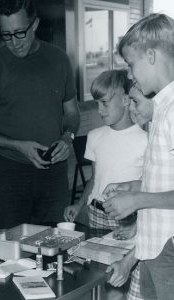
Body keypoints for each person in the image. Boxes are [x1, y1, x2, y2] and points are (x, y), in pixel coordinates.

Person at [0, 0, 80, 229]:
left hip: (53, 171)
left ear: (35, 24)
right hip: (8, 172)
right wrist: (18, 145)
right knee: (10, 247)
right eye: (6, 35)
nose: (14, 42)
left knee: (54, 242)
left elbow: (71, 112)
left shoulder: (58, 60)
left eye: (20, 33)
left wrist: (67, 137)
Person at [103, 13, 174, 300]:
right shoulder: (161, 107)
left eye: (131, 65)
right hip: (154, 247)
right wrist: (134, 187)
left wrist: (138, 200)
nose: (130, 75)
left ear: (152, 56)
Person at [64, 69, 148, 300]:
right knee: (98, 271)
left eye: (104, 103)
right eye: (96, 104)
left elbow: (147, 187)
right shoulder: (95, 136)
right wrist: (79, 204)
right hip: (97, 213)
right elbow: (94, 178)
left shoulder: (145, 140)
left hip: (128, 218)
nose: (99, 111)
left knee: (124, 273)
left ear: (124, 99)